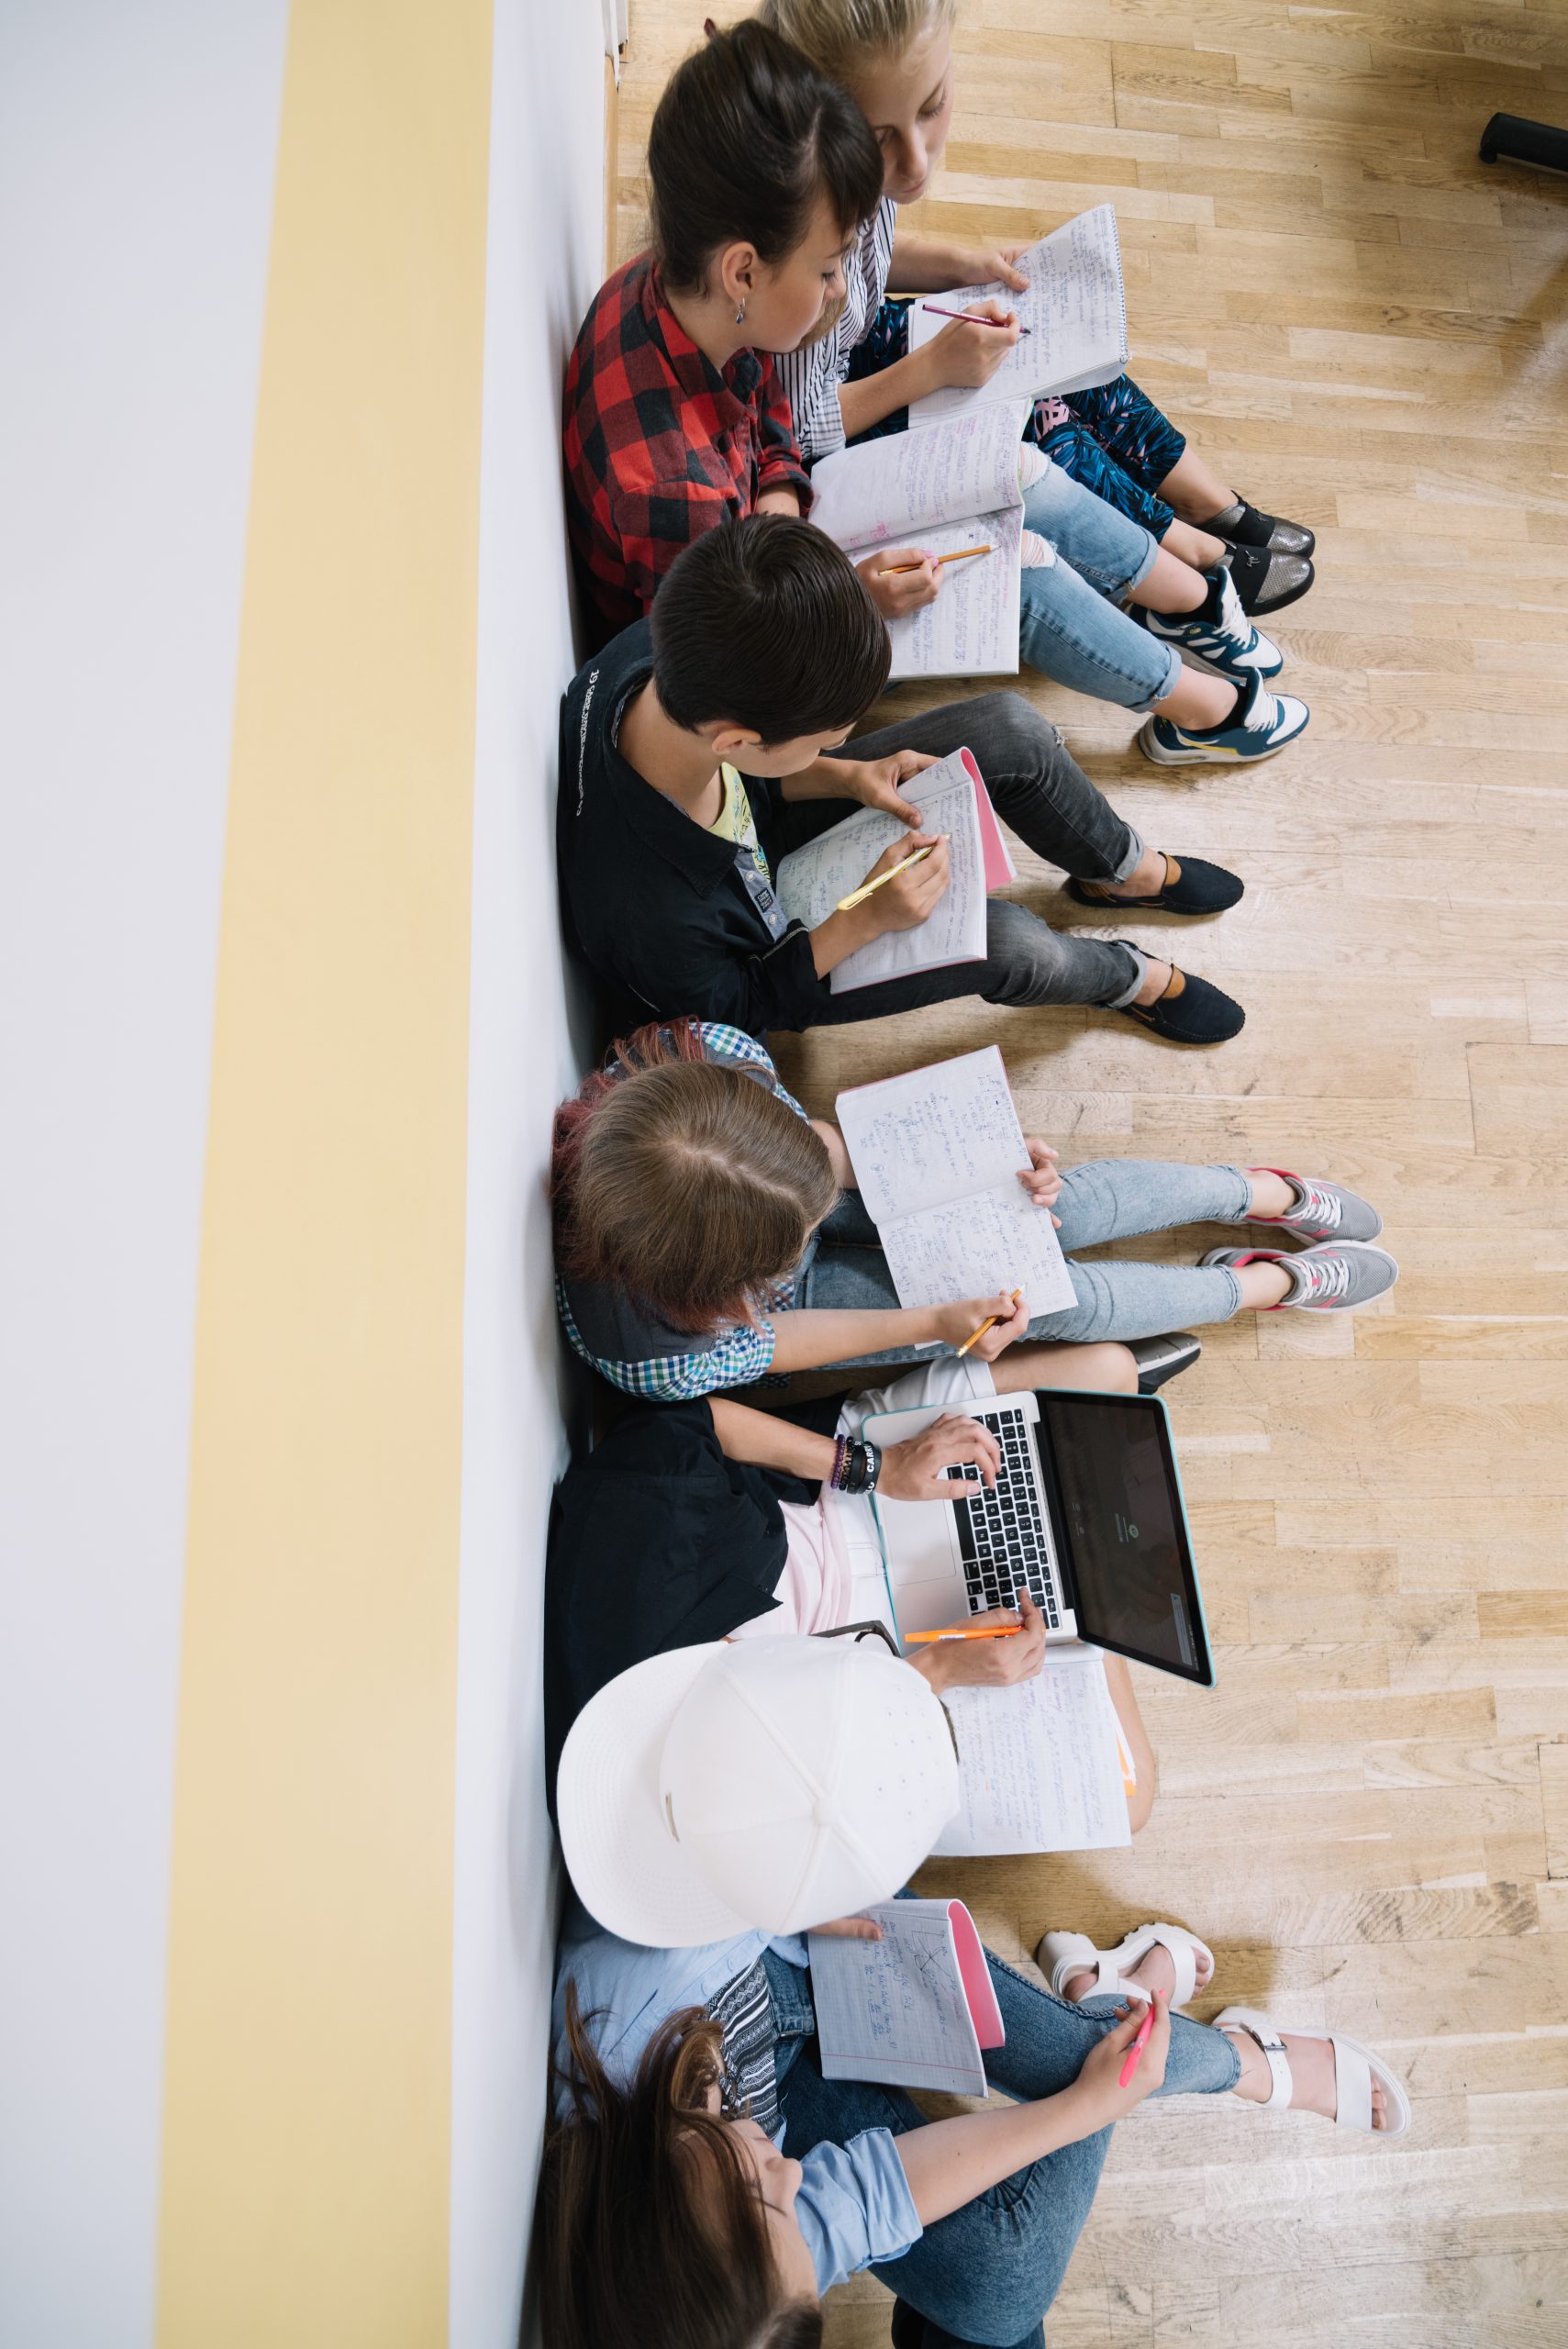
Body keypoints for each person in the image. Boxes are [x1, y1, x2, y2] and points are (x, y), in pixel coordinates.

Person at [540, 1633, 1411, 2349]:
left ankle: (1221, 2051)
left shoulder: (637, 2003)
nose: (790, 2169)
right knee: (1006, 2283)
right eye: (792, 2201)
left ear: (655, 2224)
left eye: (765, 2187)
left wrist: (797, 1908)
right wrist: (1084, 2109)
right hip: (761, 2019)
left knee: (1078, 2072)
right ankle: (1132, 2007)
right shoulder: (747, 2239)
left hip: (776, 1931)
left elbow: (733, 1803)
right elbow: (866, 2195)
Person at [563, 19, 1308, 767]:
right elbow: (729, 671)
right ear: (744, 273)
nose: (838, 296)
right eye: (827, 271)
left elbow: (769, 427)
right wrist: (849, 591)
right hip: (764, 648)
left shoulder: (689, 299)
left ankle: (1188, 597)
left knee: (1011, 469)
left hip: (767, 557)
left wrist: (778, 510)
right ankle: (1211, 708)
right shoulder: (672, 488)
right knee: (1012, 568)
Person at [561, 516, 1251, 1048]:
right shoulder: (643, 914)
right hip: (771, 952)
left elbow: (753, 783)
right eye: (825, 737)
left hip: (755, 848)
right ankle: (1126, 978)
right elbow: (738, 1009)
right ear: (740, 740)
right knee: (1005, 942)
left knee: (1010, 730)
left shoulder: (672, 648)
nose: (836, 743)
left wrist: (849, 773)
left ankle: (1117, 870)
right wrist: (865, 918)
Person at [758, 0, 1316, 621]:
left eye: (931, 107)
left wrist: (962, 266)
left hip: (851, 349)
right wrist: (930, 370)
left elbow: (869, 255)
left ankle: (1203, 502)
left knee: (1030, 338)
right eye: (879, 138)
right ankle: (1171, 554)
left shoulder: (850, 175)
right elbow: (789, 431)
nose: (915, 163)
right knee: (1025, 420)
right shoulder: (787, 231)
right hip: (818, 437)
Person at [550, 1019, 1401, 1403]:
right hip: (789, 1308)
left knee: (1054, 1209)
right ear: (733, 1289)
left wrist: (980, 1164)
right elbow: (782, 1343)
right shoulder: (652, 1356)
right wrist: (934, 1320)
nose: (832, 1201)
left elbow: (835, 1154)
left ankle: (1255, 1192)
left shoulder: (707, 1061)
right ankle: (1258, 1287)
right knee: (1050, 1305)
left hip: (754, 1215)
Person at [543, 1338, 1167, 1819]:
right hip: (898, 1651)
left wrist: (877, 1467)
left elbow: (700, 1424)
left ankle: (1075, 1566)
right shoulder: (703, 1771)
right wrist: (939, 1672)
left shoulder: (646, 1543)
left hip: (843, 1493)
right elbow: (834, 1762)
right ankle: (1080, 1599)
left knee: (1110, 1371)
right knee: (1127, 1797)